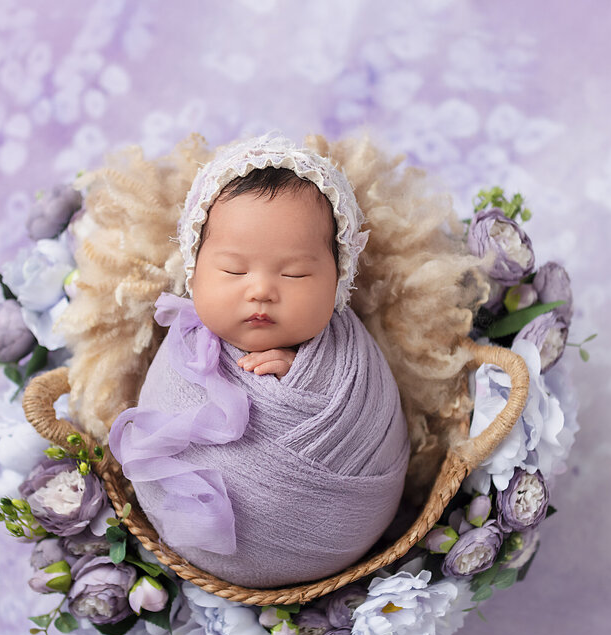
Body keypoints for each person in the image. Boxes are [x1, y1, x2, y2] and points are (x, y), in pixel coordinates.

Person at [109, 135, 411, 588]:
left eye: (295, 273)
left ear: (339, 279)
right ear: (194, 269)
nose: (261, 290)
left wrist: (308, 374)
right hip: (195, 546)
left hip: (344, 527)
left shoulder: (348, 352)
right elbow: (158, 415)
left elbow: (369, 415)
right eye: (233, 270)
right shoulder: (184, 352)